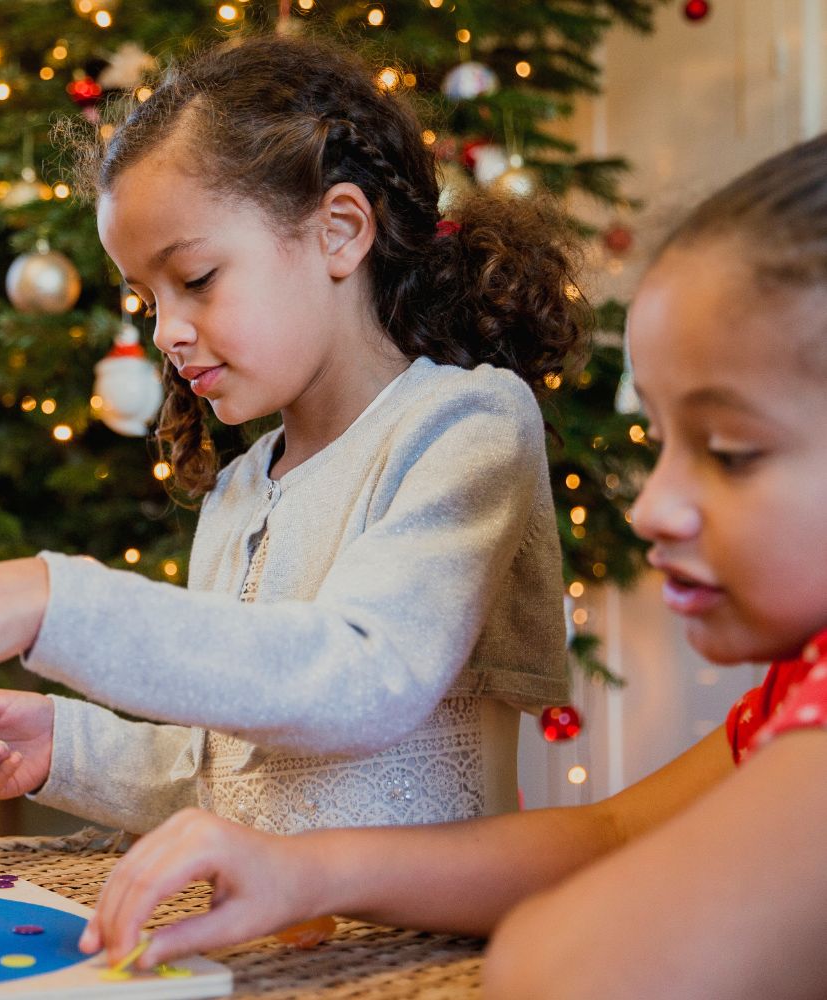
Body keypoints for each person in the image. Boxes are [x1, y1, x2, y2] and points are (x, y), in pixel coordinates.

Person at [79, 134, 827, 1000]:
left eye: (730, 451)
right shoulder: (787, 701)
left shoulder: (463, 418)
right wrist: (313, 873)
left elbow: (562, 968)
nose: (654, 507)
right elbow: (617, 832)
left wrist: (58, 603)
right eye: (662, 445)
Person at [0, 33, 586, 837]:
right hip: (267, 949)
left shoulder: (467, 424)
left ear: (340, 229)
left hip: (417, 954)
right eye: (148, 300)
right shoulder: (240, 490)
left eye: (196, 279)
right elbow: (226, 775)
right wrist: (68, 747)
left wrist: (52, 598)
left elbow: (361, 676)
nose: (167, 331)